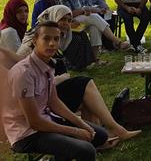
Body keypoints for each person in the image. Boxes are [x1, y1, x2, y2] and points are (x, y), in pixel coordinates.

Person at [10, 7, 141, 141]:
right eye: (62, 19)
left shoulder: (59, 37)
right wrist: (59, 79)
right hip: (36, 100)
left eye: (69, 20)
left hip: (50, 92)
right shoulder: (32, 44)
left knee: (85, 90)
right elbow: (25, 75)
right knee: (84, 85)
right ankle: (112, 130)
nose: (66, 23)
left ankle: (99, 137)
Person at [3, 21, 108, 160]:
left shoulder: (48, 64)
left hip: (45, 119)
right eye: (46, 38)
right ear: (35, 41)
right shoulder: (24, 73)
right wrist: (75, 131)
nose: (52, 43)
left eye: (56, 39)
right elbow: (34, 122)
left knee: (100, 135)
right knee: (86, 150)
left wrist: (81, 123)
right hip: (26, 133)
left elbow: (54, 101)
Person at [61, 0, 129, 61]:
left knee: (95, 28)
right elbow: (68, 13)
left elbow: (89, 7)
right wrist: (84, 10)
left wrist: (98, 10)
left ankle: (94, 59)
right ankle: (117, 41)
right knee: (94, 17)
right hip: (70, 21)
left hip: (84, 18)